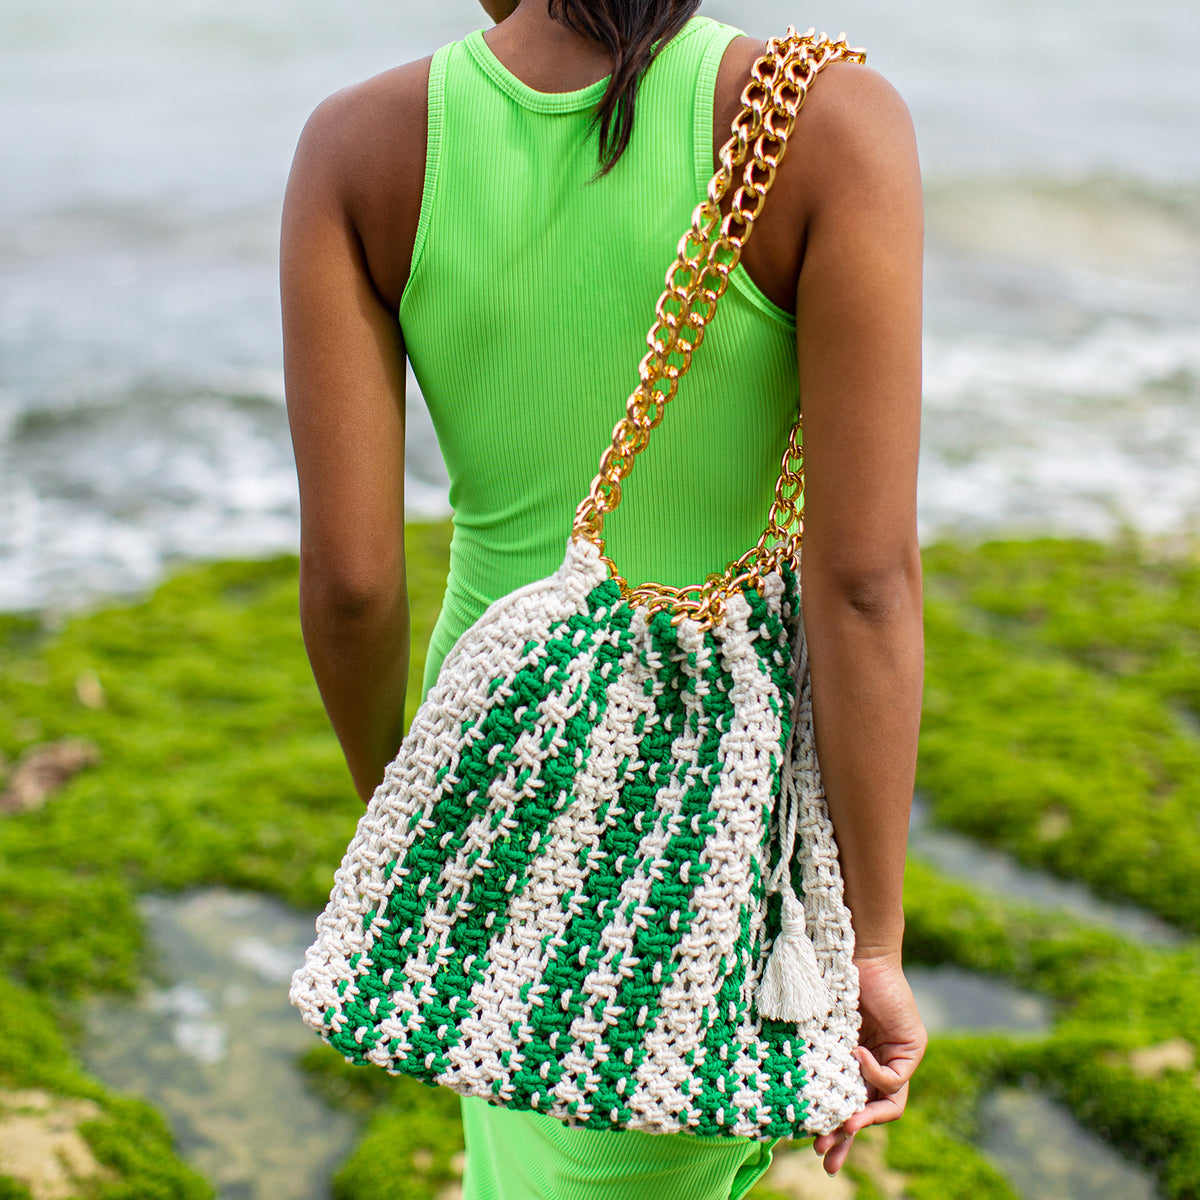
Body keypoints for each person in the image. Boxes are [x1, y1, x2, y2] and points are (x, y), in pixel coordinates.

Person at [282, 0, 927, 1194]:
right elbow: (863, 583)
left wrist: (416, 819)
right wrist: (872, 948)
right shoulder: (829, 123)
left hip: (491, 741)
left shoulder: (357, 143)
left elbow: (354, 585)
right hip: (716, 810)